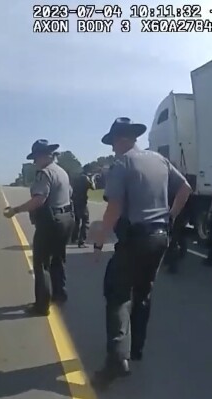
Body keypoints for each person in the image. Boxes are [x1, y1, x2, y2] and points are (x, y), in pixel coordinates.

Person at [90, 117, 192, 390]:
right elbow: (185, 189)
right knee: (143, 293)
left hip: (135, 239)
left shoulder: (122, 164)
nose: (112, 148)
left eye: (112, 142)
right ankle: (136, 349)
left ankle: (116, 360)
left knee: (117, 293)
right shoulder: (159, 160)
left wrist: (99, 241)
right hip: (160, 238)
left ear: (120, 140)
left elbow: (114, 207)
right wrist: (170, 217)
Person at [3, 139, 74, 316]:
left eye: (35, 158)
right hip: (67, 218)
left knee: (41, 263)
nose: (35, 162)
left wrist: (15, 210)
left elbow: (39, 200)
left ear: (42, 156)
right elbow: (69, 193)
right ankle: (59, 294)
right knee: (58, 258)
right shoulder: (62, 172)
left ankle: (42, 305)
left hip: (51, 221)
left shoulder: (44, 173)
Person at [71, 166, 95, 248]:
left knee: (77, 220)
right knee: (86, 221)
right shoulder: (86, 178)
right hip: (82, 202)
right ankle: (82, 241)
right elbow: (93, 188)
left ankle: (74, 238)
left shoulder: (77, 177)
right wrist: (92, 179)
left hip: (75, 200)